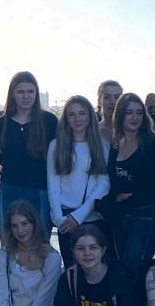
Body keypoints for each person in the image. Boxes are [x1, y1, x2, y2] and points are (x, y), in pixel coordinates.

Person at [100, 92, 155, 277]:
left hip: (145, 214)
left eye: (139, 112)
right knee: (122, 267)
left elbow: (153, 187)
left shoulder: (153, 144)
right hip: (120, 215)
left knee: (133, 270)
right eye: (129, 112)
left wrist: (123, 203)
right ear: (120, 115)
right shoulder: (115, 144)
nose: (135, 117)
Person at [47, 94, 110, 269]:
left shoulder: (102, 146)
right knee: (71, 268)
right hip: (65, 218)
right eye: (72, 114)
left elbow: (103, 184)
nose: (77, 119)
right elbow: (53, 183)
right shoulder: (56, 145)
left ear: (90, 115)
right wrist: (59, 217)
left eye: (82, 113)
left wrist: (79, 215)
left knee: (94, 267)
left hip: (91, 217)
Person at [0, 71, 57, 235]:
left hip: (39, 190)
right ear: (12, 94)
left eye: (30, 91)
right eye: (20, 92)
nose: (26, 96)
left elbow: (56, 155)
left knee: (39, 242)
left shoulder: (49, 121)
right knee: (9, 241)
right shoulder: (0, 122)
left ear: (36, 93)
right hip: (9, 187)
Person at [97, 80, 123, 147]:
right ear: (99, 101)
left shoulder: (131, 129)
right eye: (107, 97)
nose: (112, 102)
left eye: (117, 97)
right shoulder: (93, 131)